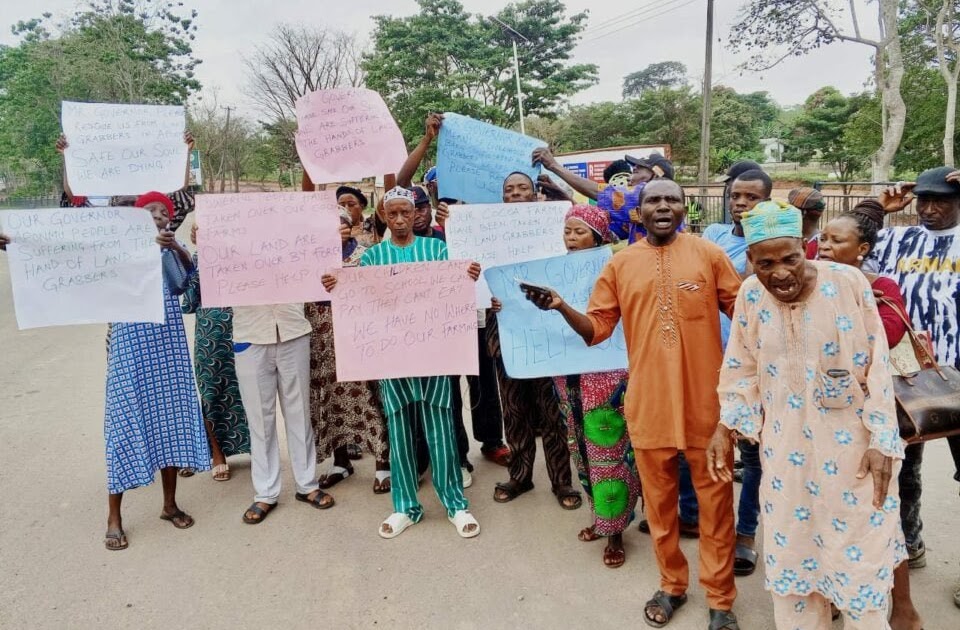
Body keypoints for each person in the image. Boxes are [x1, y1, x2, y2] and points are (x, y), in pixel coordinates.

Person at [525, 179, 741, 629]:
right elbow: (598, 328)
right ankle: (672, 586)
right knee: (660, 510)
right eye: (653, 201)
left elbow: (745, 313)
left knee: (716, 509)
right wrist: (562, 307)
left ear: (685, 208)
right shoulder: (621, 265)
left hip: (708, 409)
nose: (663, 206)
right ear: (638, 214)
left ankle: (721, 599)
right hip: (648, 407)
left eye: (672, 199)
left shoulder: (709, 256)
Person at [708, 201, 905, 629]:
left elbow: (878, 369)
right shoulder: (750, 295)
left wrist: (882, 440)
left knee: (859, 572)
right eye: (766, 263)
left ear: (805, 248)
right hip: (786, 460)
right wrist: (727, 424)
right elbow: (740, 366)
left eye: (790, 258)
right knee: (796, 568)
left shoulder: (847, 283)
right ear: (750, 261)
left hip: (853, 456)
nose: (780, 273)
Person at [322, 186, 481, 539]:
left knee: (440, 431)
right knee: (400, 432)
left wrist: (468, 276)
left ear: (415, 214)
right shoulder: (372, 258)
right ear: (383, 216)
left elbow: (456, 292)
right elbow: (353, 294)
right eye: (391, 214)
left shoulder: (438, 250)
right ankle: (405, 506)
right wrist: (336, 283)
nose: (398, 220)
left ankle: (455, 504)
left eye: (404, 213)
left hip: (434, 356)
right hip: (391, 359)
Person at [817, 203, 923, 630]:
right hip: (823, 422)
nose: (823, 246)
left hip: (871, 422)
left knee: (878, 514)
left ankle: (902, 608)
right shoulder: (812, 284)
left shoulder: (882, 287)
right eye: (822, 238)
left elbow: (878, 343)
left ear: (861, 249)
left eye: (835, 240)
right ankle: (838, 592)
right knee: (826, 513)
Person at [397, 113, 512, 469]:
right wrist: (426, 140)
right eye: (409, 208)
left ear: (430, 205)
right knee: (447, 392)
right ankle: (457, 453)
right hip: (434, 327)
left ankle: (491, 441)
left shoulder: (455, 227)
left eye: (420, 207)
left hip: (473, 318)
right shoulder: (403, 241)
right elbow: (401, 180)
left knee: (483, 385)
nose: (415, 214)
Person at [870, 166, 960, 610]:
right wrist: (880, 210)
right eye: (923, 199)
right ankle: (910, 543)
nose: (928, 208)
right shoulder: (896, 240)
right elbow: (837, 246)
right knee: (904, 468)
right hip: (904, 377)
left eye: (940, 199)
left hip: (958, 376)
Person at [97, 192, 209, 549]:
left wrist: (174, 247)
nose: (159, 216)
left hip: (167, 349)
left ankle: (169, 504)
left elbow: (183, 284)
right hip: (129, 351)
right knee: (123, 426)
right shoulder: (118, 251)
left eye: (165, 212)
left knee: (170, 422)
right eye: (151, 210)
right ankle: (114, 516)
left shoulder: (167, 252)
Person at [694, 168, 773, 578]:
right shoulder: (713, 234)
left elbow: (750, 292)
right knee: (707, 443)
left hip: (759, 363)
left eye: (751, 198)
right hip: (713, 359)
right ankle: (700, 518)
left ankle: (745, 533)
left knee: (754, 454)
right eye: (735, 196)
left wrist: (759, 238)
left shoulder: (775, 242)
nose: (740, 204)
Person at [552, 205, 640, 568]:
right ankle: (599, 516)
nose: (571, 238)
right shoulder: (552, 269)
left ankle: (615, 531)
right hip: (567, 371)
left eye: (579, 231)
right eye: (567, 231)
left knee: (608, 451)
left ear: (599, 236)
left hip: (605, 372)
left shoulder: (615, 269)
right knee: (580, 449)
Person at [490, 172, 581, 511]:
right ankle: (520, 475)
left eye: (522, 188)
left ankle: (562, 482)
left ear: (534, 194)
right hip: (505, 331)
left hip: (546, 332)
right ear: (502, 198)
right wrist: (487, 298)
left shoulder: (554, 231)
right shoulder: (486, 233)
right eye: (509, 189)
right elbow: (474, 276)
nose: (515, 193)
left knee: (552, 412)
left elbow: (573, 266)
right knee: (514, 410)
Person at [307, 212, 391, 493]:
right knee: (330, 399)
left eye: (340, 224)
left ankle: (383, 463)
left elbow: (379, 294)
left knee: (370, 397)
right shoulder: (308, 259)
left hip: (360, 340)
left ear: (350, 227)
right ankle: (341, 462)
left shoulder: (366, 255)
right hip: (322, 342)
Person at [233, 297, 333, 525]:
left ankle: (307, 485)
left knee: (300, 414)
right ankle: (266, 493)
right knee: (260, 420)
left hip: (293, 330)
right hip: (251, 334)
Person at [181, 222, 250, 481]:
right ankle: (216, 452)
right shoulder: (199, 258)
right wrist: (197, 257)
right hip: (211, 332)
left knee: (250, 388)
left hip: (246, 326)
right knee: (211, 389)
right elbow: (188, 301)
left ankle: (257, 448)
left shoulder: (246, 256)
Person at [56, 133, 197, 232]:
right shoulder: (102, 229)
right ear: (112, 205)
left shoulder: (158, 229)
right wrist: (68, 156)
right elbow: (73, 196)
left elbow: (179, 190)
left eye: (133, 204)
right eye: (124, 204)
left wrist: (184, 151)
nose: (129, 208)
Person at [786, 187, 826, 258]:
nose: (786, 212)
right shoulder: (823, 243)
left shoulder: (818, 247)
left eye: (789, 209)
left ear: (803, 213)